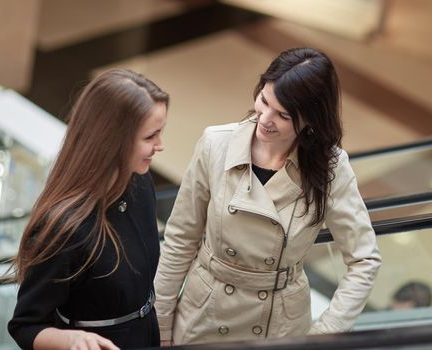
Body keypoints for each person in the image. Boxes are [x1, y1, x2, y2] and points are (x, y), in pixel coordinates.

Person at [154, 47, 382, 345]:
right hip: (205, 313)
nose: (265, 118)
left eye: (283, 115)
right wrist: (160, 323)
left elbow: (364, 260)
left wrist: (324, 335)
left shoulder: (330, 168)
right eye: (263, 100)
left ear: (310, 120)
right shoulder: (216, 144)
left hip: (280, 327)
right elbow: (181, 238)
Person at [7, 68, 169, 350]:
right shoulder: (65, 228)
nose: (160, 145)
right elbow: (25, 325)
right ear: (113, 140)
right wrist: (72, 339)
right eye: (150, 137)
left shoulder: (140, 182)